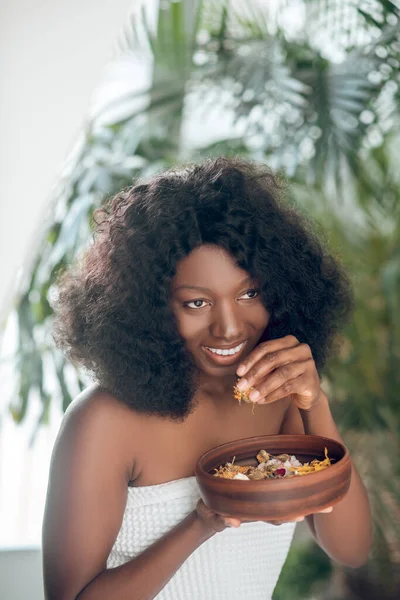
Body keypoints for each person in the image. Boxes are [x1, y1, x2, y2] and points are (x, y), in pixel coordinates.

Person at [42, 157, 372, 600]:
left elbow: (352, 548)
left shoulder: (279, 398)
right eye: (197, 304)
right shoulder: (103, 422)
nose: (230, 327)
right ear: (151, 309)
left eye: (249, 293)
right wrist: (203, 522)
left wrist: (315, 404)